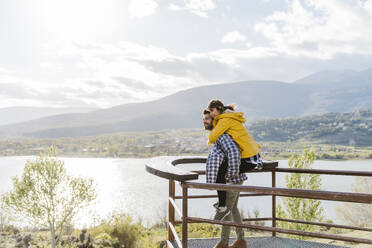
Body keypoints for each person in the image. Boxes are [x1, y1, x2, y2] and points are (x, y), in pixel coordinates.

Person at [207, 99, 263, 220]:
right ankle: (222, 206)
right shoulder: (229, 118)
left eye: (212, 110)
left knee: (220, 173)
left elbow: (212, 137)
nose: (211, 113)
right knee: (221, 172)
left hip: (248, 158)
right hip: (252, 156)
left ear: (219, 109)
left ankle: (222, 207)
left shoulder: (225, 119)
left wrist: (214, 129)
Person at [203, 110, 247, 248]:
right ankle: (241, 240)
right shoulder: (219, 133)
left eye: (207, 119)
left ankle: (224, 243)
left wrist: (231, 174)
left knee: (226, 209)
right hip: (235, 177)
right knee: (232, 208)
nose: (204, 121)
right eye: (203, 119)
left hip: (232, 178)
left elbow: (233, 152)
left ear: (214, 120)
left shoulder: (221, 134)